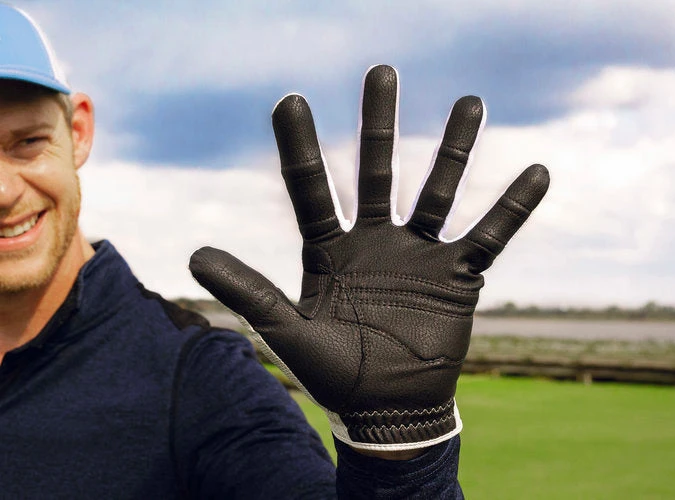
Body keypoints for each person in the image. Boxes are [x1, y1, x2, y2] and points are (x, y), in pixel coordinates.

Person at [0, 4, 549, 499]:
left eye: (27, 142)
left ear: (78, 130)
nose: (3, 192)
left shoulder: (196, 379)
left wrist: (399, 451)